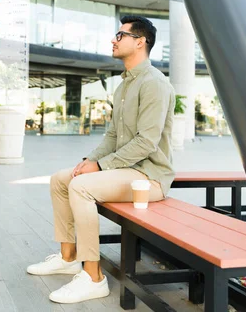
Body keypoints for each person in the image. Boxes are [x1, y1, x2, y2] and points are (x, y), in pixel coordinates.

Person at [27, 16, 176, 304]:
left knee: (80, 187)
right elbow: (112, 136)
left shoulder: (154, 83)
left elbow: (146, 142)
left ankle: (93, 277)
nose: (113, 40)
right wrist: (89, 161)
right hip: (125, 171)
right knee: (63, 178)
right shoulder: (123, 86)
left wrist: (100, 167)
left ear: (140, 41)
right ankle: (69, 257)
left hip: (149, 177)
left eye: (120, 35)